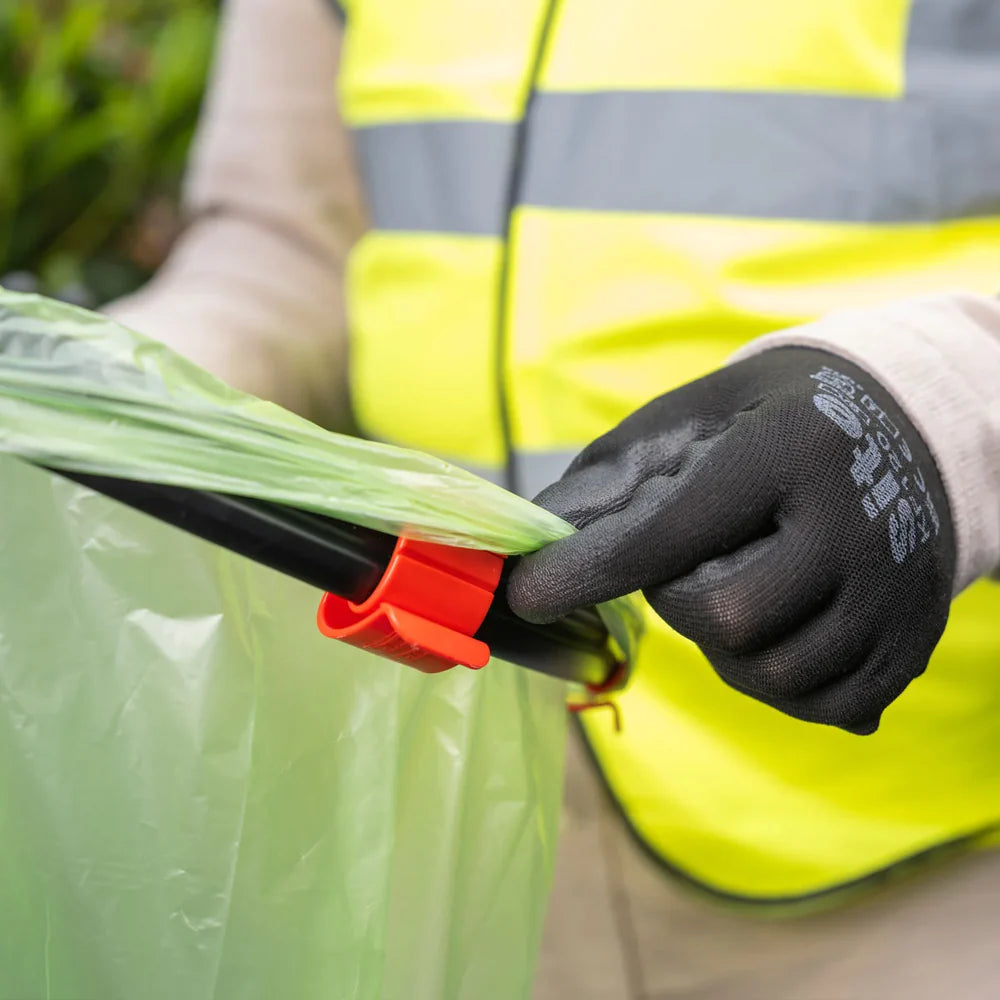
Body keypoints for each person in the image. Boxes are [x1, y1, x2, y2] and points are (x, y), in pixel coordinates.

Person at [108, 0, 1000, 995]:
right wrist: (102, 397)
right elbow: (292, 241)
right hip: (454, 820)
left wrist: (941, 409)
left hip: (922, 873)